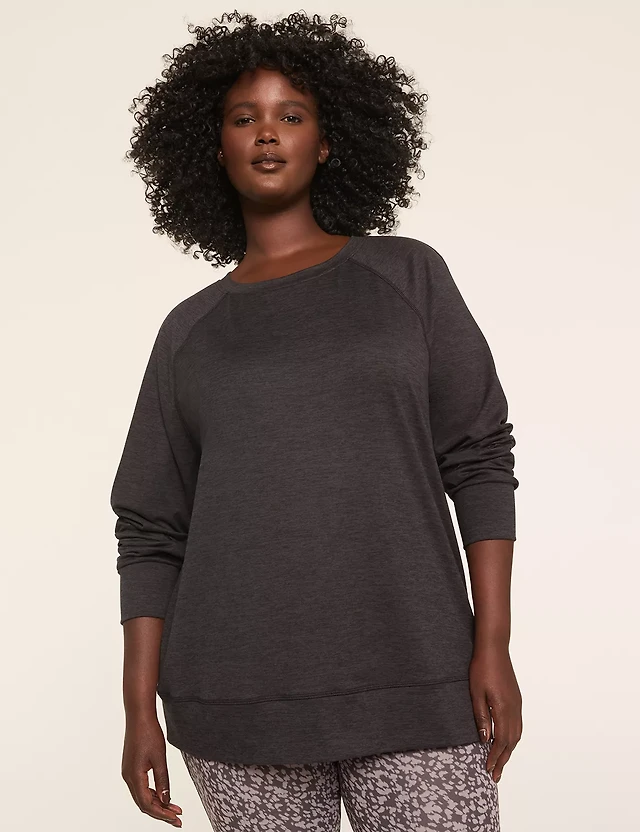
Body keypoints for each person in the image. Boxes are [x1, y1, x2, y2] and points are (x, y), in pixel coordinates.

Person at [110, 10, 523, 831]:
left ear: (328, 142)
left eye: (291, 115)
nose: (267, 133)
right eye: (244, 117)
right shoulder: (189, 332)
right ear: (214, 147)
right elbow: (151, 529)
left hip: (417, 683)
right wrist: (137, 712)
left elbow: (479, 459)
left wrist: (493, 645)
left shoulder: (407, 276)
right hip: (234, 706)